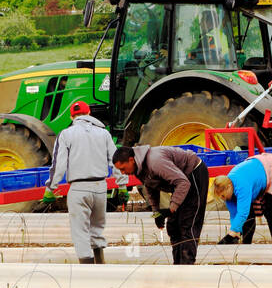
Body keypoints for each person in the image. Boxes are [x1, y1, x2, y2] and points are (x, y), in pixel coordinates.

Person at [43, 101, 117, 264]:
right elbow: (116, 160)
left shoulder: (66, 134)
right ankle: (100, 264)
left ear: (72, 116)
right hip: (100, 187)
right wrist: (123, 185)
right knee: (97, 228)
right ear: (89, 113)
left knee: (80, 231)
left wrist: (51, 188)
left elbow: (59, 165)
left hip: (78, 188)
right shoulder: (104, 134)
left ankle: (87, 269)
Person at [112, 144, 209, 265]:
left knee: (187, 223)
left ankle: (187, 266)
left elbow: (183, 183)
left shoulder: (155, 162)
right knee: (173, 226)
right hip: (180, 181)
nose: (123, 173)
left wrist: (171, 208)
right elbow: (151, 187)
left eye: (123, 168)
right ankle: (178, 265)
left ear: (131, 160)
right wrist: (156, 211)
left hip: (193, 174)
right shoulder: (138, 168)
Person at [211, 151, 272, 246]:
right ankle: (246, 246)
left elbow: (242, 212)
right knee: (248, 218)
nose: (223, 199)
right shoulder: (228, 192)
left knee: (271, 211)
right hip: (256, 171)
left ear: (229, 187)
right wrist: (235, 232)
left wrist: (233, 232)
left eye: (223, 196)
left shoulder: (241, 186)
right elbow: (234, 214)